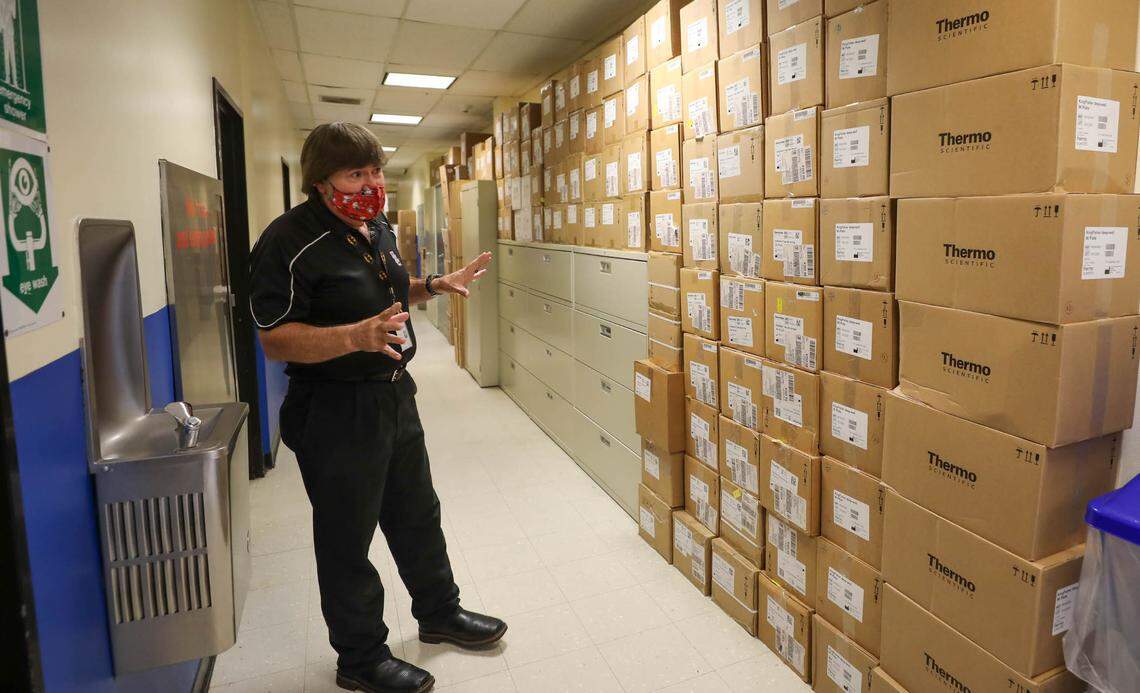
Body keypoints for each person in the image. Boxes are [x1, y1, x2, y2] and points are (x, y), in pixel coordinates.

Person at [249, 122, 500, 693]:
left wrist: (433, 286)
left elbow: (388, 290)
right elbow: (275, 338)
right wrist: (352, 337)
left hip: (392, 394)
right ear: (320, 181)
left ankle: (439, 613)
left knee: (417, 512)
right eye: (354, 173)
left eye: (374, 171)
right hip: (336, 410)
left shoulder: (372, 224)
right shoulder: (288, 241)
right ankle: (360, 657)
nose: (370, 184)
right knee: (347, 537)